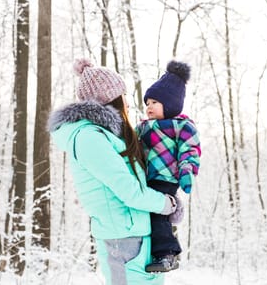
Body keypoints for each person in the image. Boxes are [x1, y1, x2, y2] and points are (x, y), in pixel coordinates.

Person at [48, 59, 178, 285]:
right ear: (112, 99)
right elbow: (129, 191)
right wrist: (166, 204)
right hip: (122, 240)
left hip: (140, 236)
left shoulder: (112, 136)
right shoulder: (89, 138)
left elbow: (141, 184)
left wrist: (170, 203)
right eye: (124, 95)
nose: (128, 102)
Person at [136, 60, 201, 273]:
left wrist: (186, 172)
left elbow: (189, 151)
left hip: (166, 178)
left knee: (158, 214)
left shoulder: (182, 126)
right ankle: (153, 251)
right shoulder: (144, 127)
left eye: (155, 102)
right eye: (147, 103)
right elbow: (128, 141)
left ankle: (167, 255)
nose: (149, 107)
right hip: (145, 178)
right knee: (147, 215)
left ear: (171, 104)